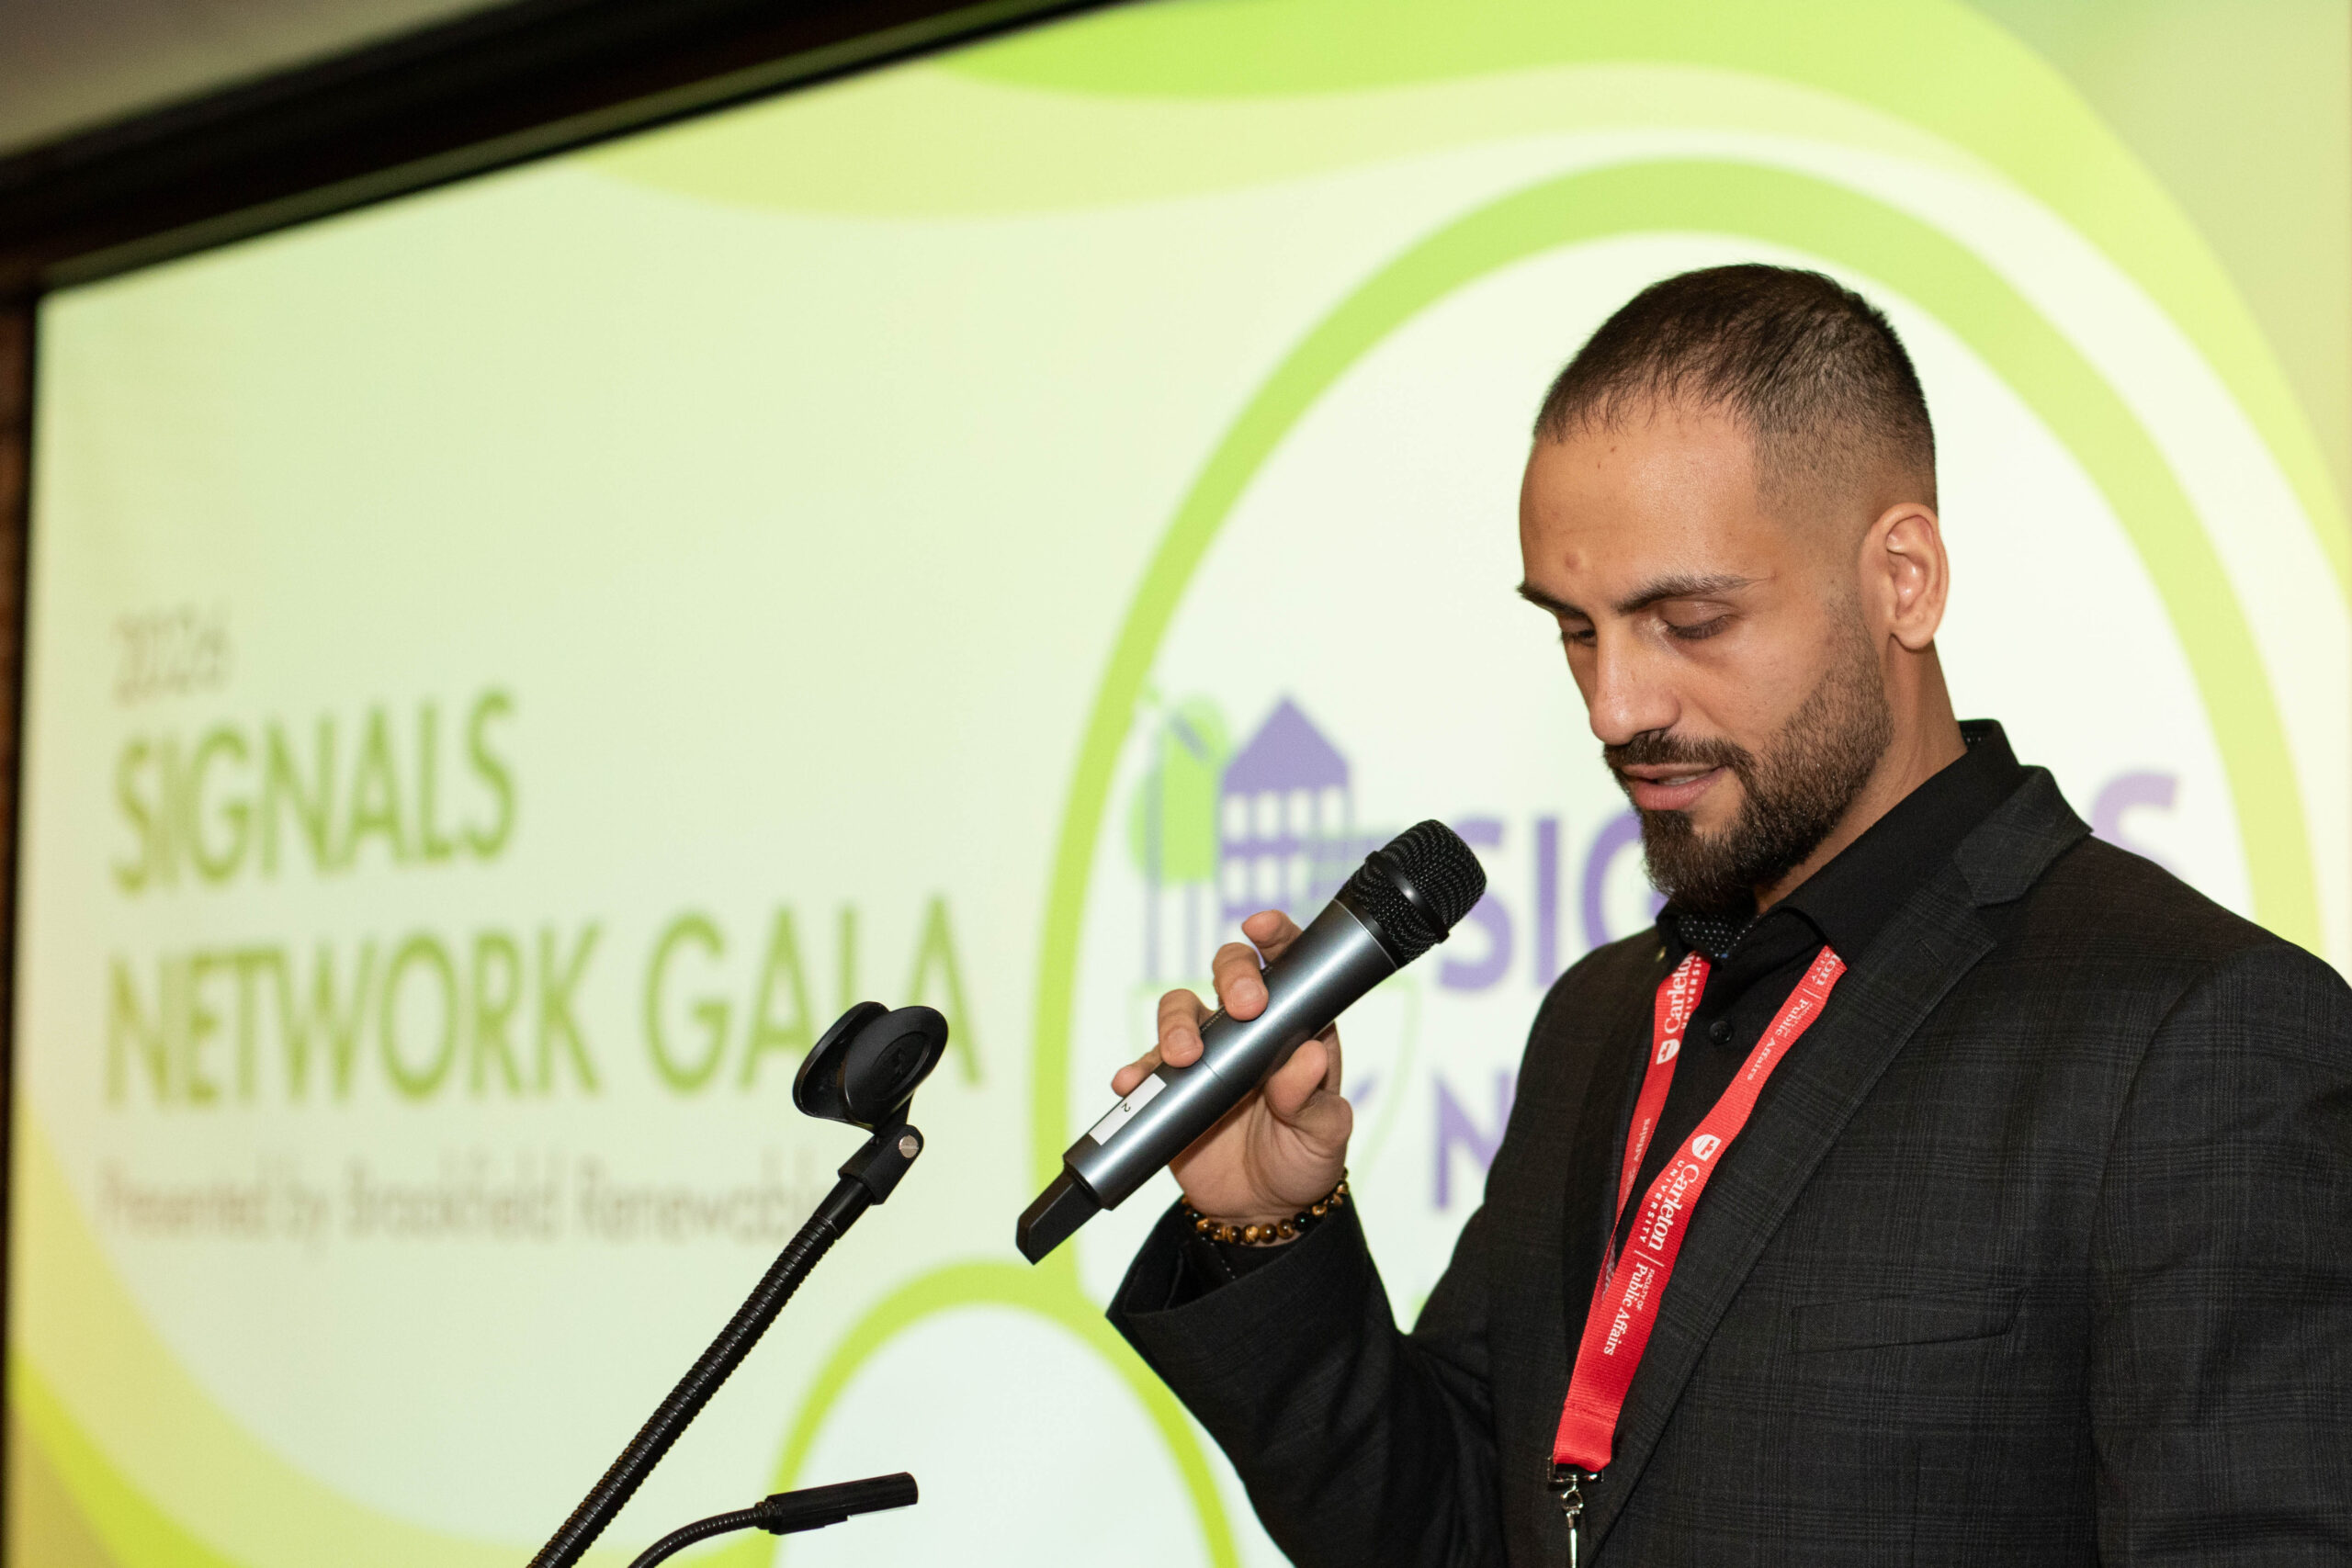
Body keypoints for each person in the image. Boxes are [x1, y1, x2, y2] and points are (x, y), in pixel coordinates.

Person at [1103, 265, 2352, 1566]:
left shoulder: (2197, 1036)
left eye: (1688, 622)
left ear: (1904, 578)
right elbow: (1471, 1531)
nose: (1615, 706)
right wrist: (1269, 1226)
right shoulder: (1599, 1018)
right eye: (1576, 632)